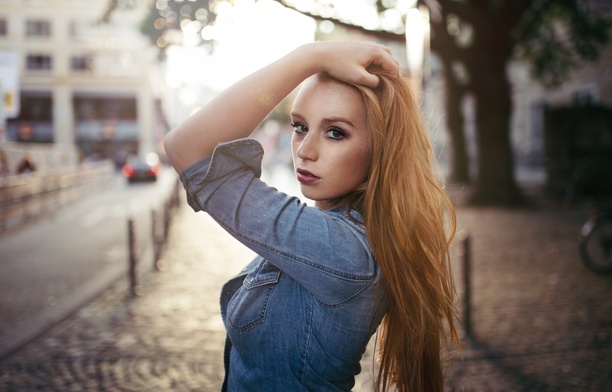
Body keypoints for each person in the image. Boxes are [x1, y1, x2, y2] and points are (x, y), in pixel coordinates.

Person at [164, 41, 460, 392]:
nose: (305, 150)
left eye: (336, 132)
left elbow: (187, 149)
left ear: (380, 148)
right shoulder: (339, 235)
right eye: (300, 126)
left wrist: (311, 56)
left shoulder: (344, 251)